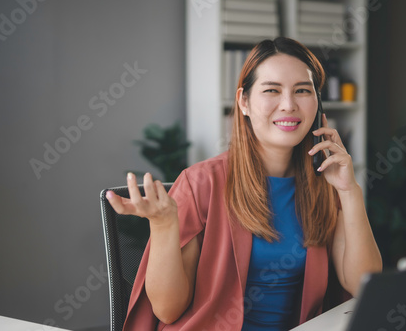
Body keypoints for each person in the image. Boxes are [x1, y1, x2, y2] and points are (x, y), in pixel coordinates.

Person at [106, 37, 382, 331]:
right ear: (244, 102)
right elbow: (168, 310)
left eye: (303, 90)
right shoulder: (201, 182)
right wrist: (163, 227)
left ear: (317, 101)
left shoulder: (325, 183)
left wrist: (349, 191)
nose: (289, 105)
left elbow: (364, 284)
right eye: (271, 90)